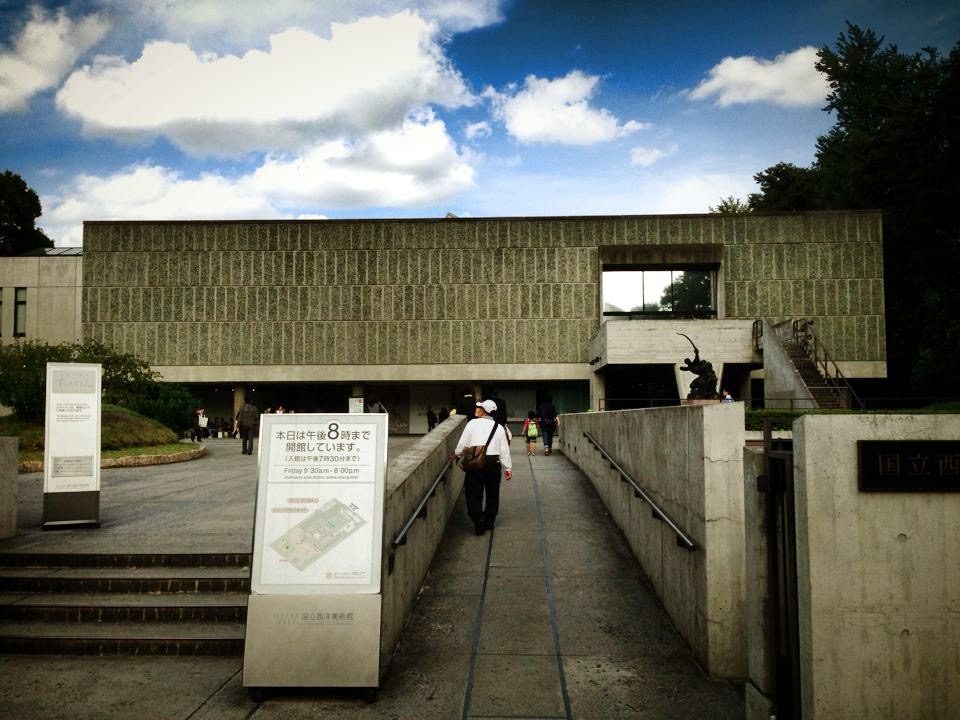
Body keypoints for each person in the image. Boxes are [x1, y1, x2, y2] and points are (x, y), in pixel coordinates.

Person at [454, 399, 512, 535]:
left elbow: (463, 444)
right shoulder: (498, 427)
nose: (476, 410)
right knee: (493, 494)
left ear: (483, 410)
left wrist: (456, 455)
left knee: (473, 493)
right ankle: (489, 522)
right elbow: (504, 450)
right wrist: (508, 468)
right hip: (493, 462)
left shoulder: (472, 424)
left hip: (475, 461)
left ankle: (478, 520)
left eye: (479, 408)